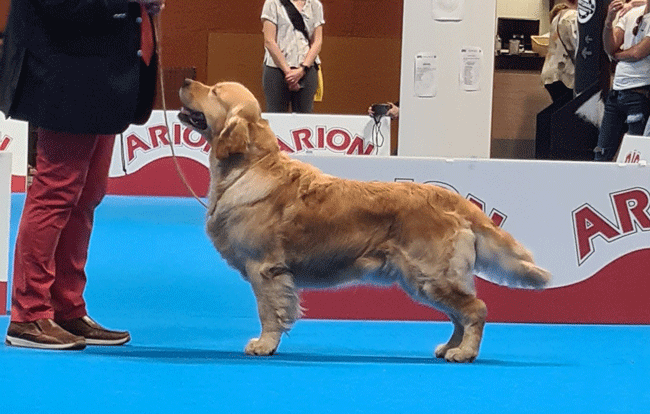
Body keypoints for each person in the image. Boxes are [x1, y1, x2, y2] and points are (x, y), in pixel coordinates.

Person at [0, 0, 164, 350]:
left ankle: (65, 307)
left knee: (87, 195)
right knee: (55, 192)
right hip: (67, 75)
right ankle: (28, 315)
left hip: (103, 76)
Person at [595, 0, 650, 161]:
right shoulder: (631, 13)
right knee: (601, 152)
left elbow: (638, 53)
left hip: (640, 91)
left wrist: (616, 55)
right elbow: (609, 46)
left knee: (636, 155)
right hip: (618, 90)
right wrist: (609, 21)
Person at [261, 0, 324, 113]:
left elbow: (317, 42)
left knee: (305, 117)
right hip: (276, 69)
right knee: (276, 116)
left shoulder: (315, 5)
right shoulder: (272, 3)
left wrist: (302, 69)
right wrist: (288, 72)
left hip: (306, 69)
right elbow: (269, 41)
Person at [540, 1, 578, 106]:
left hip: (552, 73)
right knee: (567, 115)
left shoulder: (559, 14)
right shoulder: (573, 17)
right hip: (565, 75)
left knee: (560, 112)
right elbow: (577, 46)